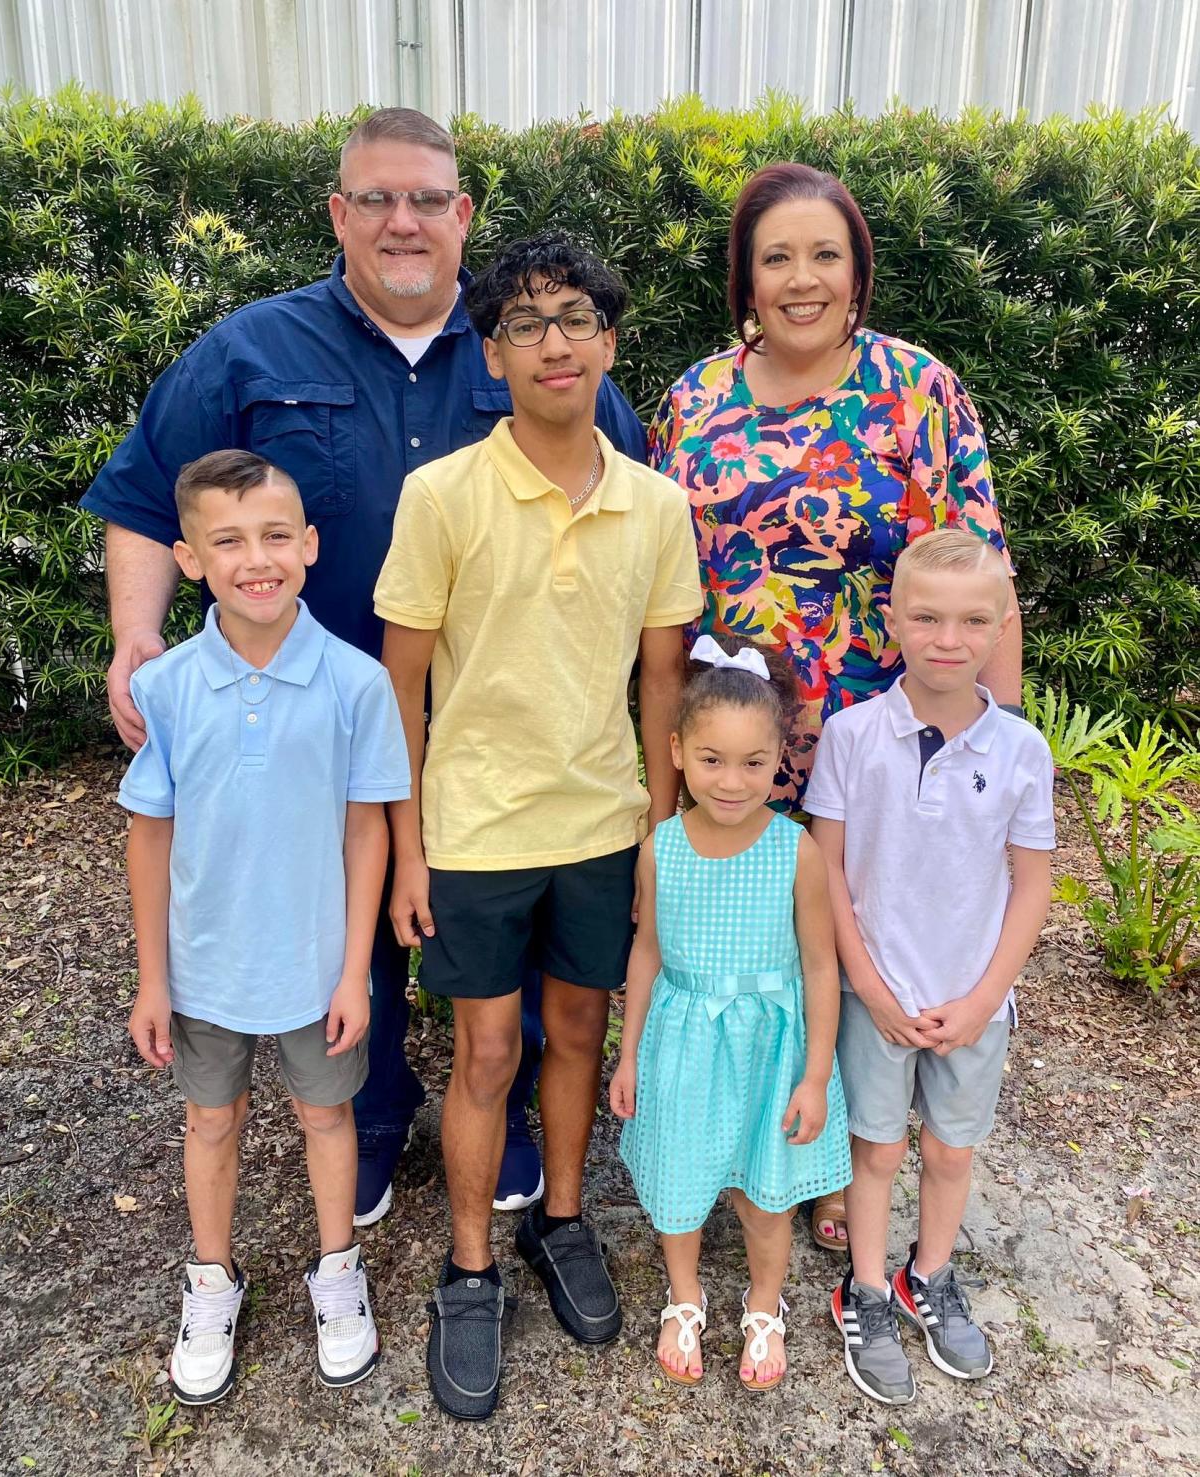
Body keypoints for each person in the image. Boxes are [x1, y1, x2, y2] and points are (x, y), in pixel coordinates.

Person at [81, 108, 649, 1227]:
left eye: (428, 199)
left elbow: (629, 495)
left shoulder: (525, 342)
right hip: (314, 727)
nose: (404, 222)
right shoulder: (250, 351)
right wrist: (137, 633)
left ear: (461, 215)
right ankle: (375, 1114)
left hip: (503, 723)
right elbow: (148, 495)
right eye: (377, 199)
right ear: (339, 213)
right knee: (350, 918)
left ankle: (512, 1108)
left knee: (520, 922)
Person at [648, 161, 1023, 1254]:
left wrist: (988, 754)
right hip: (738, 743)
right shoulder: (695, 400)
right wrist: (665, 772)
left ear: (857, 272)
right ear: (745, 280)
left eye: (825, 255)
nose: (801, 279)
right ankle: (740, 1136)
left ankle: (827, 1152)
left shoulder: (917, 389)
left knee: (855, 939)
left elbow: (983, 579)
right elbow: (666, 600)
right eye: (777, 258)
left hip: (886, 742)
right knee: (751, 940)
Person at [373, 230, 702, 1420]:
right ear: (491, 354)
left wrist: (660, 835)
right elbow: (396, 689)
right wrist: (409, 848)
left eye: (575, 318)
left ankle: (559, 1221)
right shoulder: (441, 496)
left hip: (603, 823)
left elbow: (663, 682)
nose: (553, 342)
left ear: (609, 345)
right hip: (474, 834)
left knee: (580, 1030)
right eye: (525, 322)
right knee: (488, 1052)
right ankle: (469, 1268)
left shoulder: (656, 505)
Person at [120, 450, 411, 1404]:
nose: (258, 557)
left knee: (328, 1114)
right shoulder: (166, 690)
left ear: (310, 545)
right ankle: (213, 1277)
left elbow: (365, 826)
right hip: (203, 970)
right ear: (190, 557)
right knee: (212, 1120)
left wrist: (353, 967)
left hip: (316, 962)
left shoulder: (356, 682)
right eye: (230, 539)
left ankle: (337, 1269)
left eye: (276, 535)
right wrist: (153, 978)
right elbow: (151, 837)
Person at [805, 529, 1054, 1406]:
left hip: (974, 1002)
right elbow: (827, 869)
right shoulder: (850, 735)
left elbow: (1032, 884)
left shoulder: (1023, 752)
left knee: (951, 1153)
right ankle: (865, 1289)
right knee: (874, 1152)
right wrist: (867, 987)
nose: (948, 639)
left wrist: (987, 997)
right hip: (879, 998)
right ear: (894, 619)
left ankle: (929, 1274)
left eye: (972, 620)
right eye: (927, 617)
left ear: (1000, 628)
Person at [612, 634, 850, 1391]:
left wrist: (814, 1075)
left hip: (768, 1049)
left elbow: (819, 965)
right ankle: (684, 1294)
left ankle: (763, 1302)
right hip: (682, 1044)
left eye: (753, 762)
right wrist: (628, 1052)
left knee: (763, 1188)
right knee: (680, 1179)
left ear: (781, 754)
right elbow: (647, 950)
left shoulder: (796, 851)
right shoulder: (662, 846)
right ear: (678, 750)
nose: (732, 780)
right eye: (712, 758)